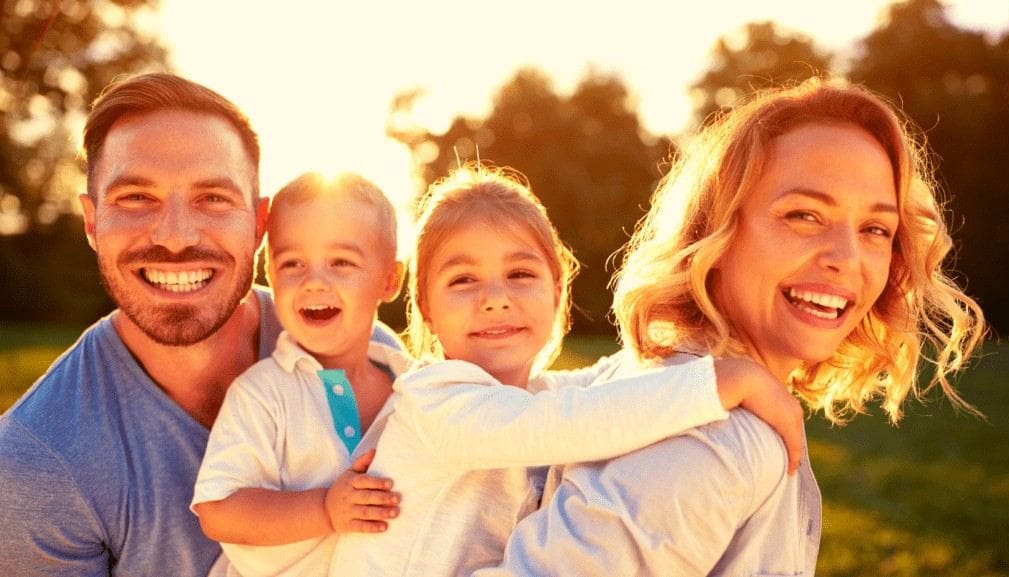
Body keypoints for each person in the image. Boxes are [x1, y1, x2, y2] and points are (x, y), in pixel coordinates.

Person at [476, 78, 987, 576]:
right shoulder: (713, 442)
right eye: (804, 215)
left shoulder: (642, 382)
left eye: (876, 229)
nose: (847, 258)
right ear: (716, 230)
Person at [0, 73, 399, 577]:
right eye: (136, 198)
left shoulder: (363, 353)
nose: (175, 237)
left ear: (258, 224)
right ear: (91, 221)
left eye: (212, 197)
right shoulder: (37, 463)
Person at [328, 165, 805, 577]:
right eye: (463, 280)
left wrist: (690, 347)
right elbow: (578, 418)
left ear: (557, 292)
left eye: (520, 274)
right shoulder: (436, 400)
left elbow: (602, 382)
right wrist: (726, 382)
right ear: (427, 310)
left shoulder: (530, 393)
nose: (495, 297)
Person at [191, 172, 410, 577]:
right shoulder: (263, 393)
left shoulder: (414, 391)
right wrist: (324, 509)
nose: (313, 282)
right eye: (292, 263)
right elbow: (218, 511)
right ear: (270, 277)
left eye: (341, 262)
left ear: (389, 279)